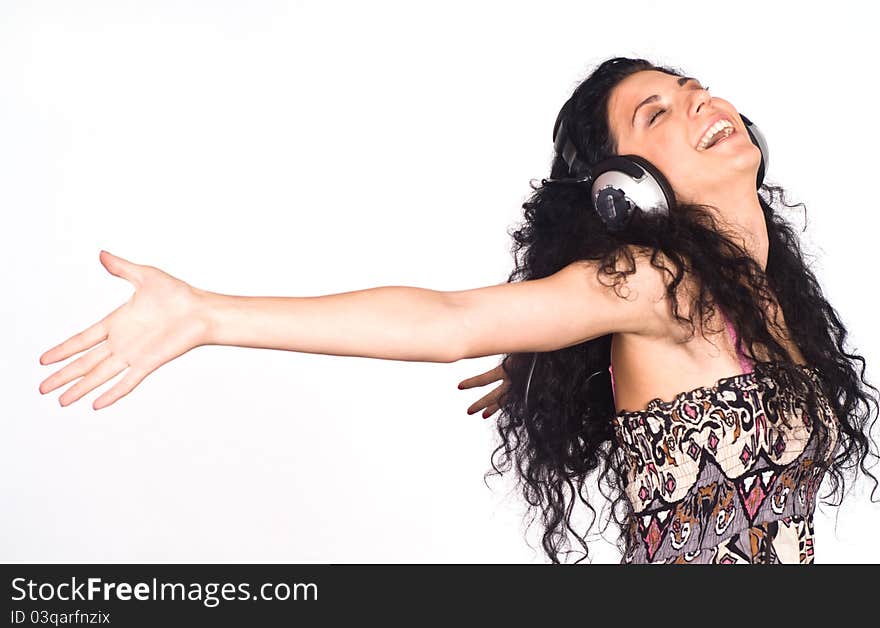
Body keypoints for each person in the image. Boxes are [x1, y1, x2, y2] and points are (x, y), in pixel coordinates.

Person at [37, 56, 879, 564]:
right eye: (655, 112)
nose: (702, 103)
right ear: (629, 191)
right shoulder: (658, 281)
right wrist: (209, 314)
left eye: (696, 89)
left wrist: (552, 359)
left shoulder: (770, 298)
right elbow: (447, 321)